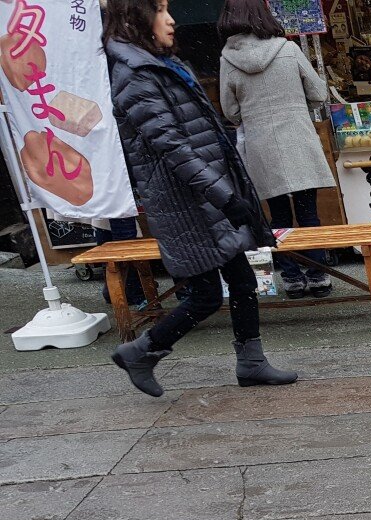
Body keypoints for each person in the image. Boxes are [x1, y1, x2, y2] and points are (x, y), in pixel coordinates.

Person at [104, 0, 296, 397]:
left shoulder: (163, 65)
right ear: (135, 18)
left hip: (206, 195)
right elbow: (173, 147)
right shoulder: (135, 76)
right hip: (185, 202)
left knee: (242, 280)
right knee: (206, 294)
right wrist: (225, 197)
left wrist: (227, 191)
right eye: (160, 10)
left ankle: (251, 362)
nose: (171, 19)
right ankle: (142, 350)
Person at [218, 0, 335, 299]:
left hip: (261, 144)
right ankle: (318, 274)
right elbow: (319, 93)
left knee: (278, 217)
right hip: (297, 136)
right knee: (309, 213)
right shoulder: (288, 49)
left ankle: (293, 278)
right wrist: (296, 107)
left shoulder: (228, 60)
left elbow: (230, 111)